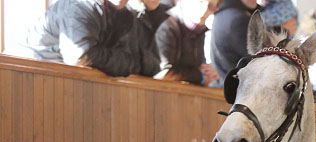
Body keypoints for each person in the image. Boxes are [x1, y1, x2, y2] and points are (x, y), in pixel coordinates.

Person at [19, 0, 168, 77]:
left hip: (64, 82)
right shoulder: (80, 6)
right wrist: (139, 63)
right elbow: (81, 57)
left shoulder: (124, 14)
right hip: (28, 76)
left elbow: (124, 57)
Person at [155, 0, 219, 85]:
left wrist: (211, 72)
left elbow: (198, 66)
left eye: (211, 6)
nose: (205, 10)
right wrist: (202, 75)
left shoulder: (200, 30)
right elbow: (164, 73)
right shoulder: (167, 27)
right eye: (200, 1)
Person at [210, 0, 256, 86]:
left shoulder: (223, 13)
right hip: (239, 88)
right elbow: (257, 60)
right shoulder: (239, 19)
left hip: (227, 84)